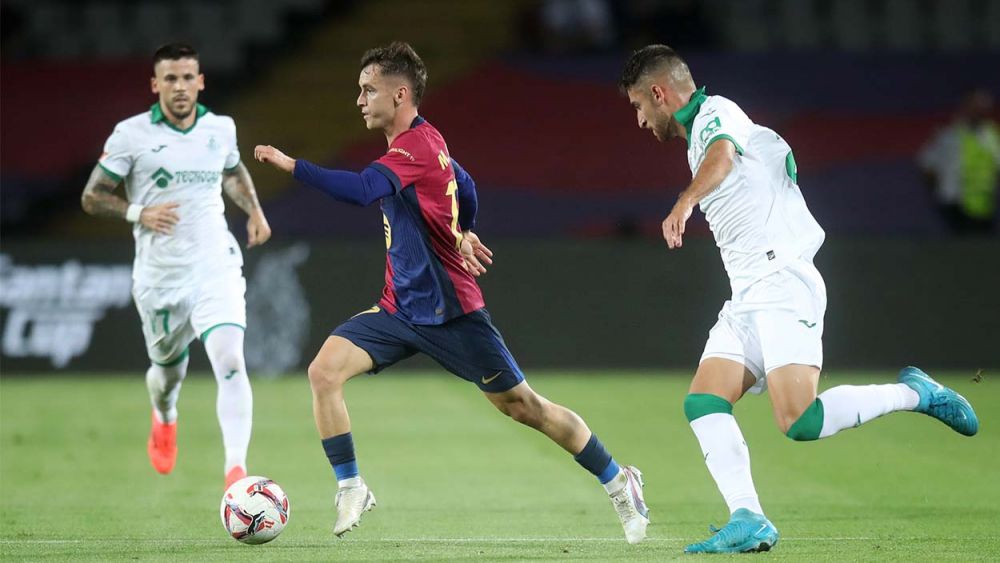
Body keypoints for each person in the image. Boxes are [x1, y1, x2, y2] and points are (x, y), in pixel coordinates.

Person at [254, 41, 648, 543]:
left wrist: (293, 166)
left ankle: (619, 480)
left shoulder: (414, 150)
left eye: (367, 90)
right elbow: (466, 184)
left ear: (399, 95)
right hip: (399, 310)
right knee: (323, 372)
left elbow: (360, 192)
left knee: (525, 407)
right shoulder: (423, 144)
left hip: (451, 313)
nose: (359, 100)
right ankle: (351, 485)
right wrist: (463, 228)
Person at [618, 44, 979, 554]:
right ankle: (749, 517)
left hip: (782, 282)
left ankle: (916, 393)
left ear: (658, 93)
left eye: (638, 106)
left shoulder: (715, 113)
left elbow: (723, 154)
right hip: (748, 293)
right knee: (703, 401)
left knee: (800, 422)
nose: (639, 120)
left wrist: (685, 202)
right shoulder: (700, 132)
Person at [81, 43, 272, 490]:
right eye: (170, 78)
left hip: (215, 264)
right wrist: (137, 212)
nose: (180, 87)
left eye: (188, 77)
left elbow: (232, 170)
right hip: (160, 276)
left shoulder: (220, 127)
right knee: (168, 374)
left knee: (229, 359)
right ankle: (165, 416)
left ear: (201, 81)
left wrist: (255, 211)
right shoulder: (130, 135)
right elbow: (92, 196)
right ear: (156, 85)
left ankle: (236, 473)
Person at [919, 88, 1000, 234]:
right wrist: (939, 190)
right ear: (965, 107)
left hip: (985, 202)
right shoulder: (948, 135)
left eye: (982, 107)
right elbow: (927, 164)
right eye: (974, 106)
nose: (978, 111)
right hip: (954, 203)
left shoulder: (993, 136)